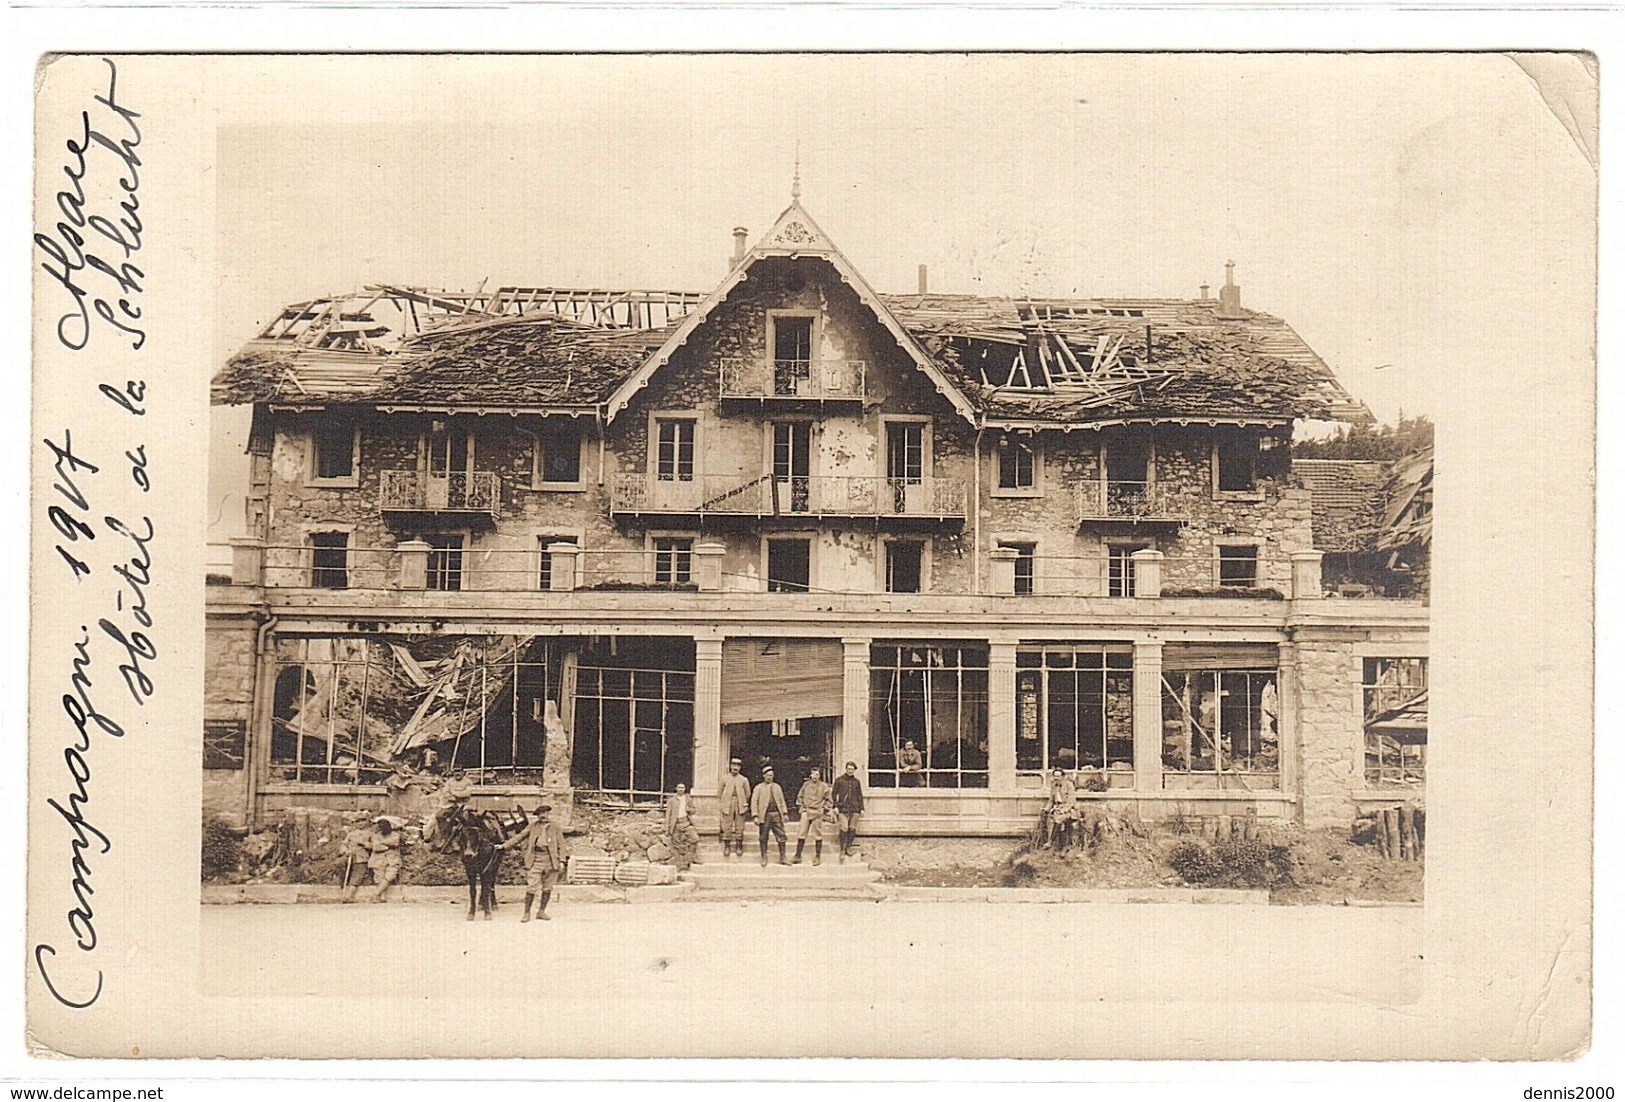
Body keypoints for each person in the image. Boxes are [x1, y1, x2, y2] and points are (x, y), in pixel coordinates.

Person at [496, 803, 567, 922]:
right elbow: (519, 837)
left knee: (547, 888)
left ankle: (541, 912)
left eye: (545, 813)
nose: (543, 816)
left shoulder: (555, 827)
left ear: (548, 814)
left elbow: (562, 845)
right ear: (537, 816)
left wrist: (562, 861)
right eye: (540, 814)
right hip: (535, 860)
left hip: (551, 861)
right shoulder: (532, 826)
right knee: (531, 887)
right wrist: (503, 846)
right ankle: (526, 913)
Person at [750, 766, 791, 867]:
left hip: (777, 814)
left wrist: (784, 813)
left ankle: (783, 857)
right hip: (765, 815)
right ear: (763, 776)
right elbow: (754, 802)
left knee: (781, 835)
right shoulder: (758, 788)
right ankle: (764, 857)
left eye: (771, 775)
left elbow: (782, 801)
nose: (769, 777)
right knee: (763, 837)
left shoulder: (777, 787)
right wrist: (755, 815)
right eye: (768, 775)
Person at [793, 767, 833, 865]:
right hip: (806, 811)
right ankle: (797, 856)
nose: (815, 776)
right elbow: (800, 797)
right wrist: (802, 808)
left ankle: (817, 857)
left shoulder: (824, 786)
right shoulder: (806, 785)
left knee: (817, 834)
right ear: (810, 775)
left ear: (820, 776)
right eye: (813, 774)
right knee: (802, 833)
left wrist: (823, 809)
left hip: (817, 812)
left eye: (817, 774)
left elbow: (829, 801)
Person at [717, 757, 751, 860]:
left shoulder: (744, 779)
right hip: (728, 803)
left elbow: (748, 793)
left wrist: (742, 801)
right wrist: (724, 802)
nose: (735, 768)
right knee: (727, 825)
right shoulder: (724, 778)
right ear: (730, 766)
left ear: (740, 768)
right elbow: (719, 793)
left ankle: (739, 846)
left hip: (740, 803)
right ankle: (727, 846)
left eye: (737, 766)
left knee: (739, 826)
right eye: (733, 765)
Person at [831, 760, 865, 862]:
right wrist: (835, 806)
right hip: (842, 808)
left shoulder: (856, 782)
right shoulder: (839, 780)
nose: (850, 771)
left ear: (854, 770)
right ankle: (842, 849)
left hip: (855, 808)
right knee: (844, 827)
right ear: (846, 769)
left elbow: (860, 796)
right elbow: (833, 794)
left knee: (852, 827)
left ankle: (848, 847)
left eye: (852, 769)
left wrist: (862, 808)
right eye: (849, 769)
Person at [664, 782, 701, 870]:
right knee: (676, 844)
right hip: (676, 824)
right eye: (679, 787)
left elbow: (694, 810)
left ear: (685, 789)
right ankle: (679, 864)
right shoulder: (672, 800)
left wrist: (689, 809)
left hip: (686, 823)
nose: (681, 789)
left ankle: (689, 859)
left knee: (695, 839)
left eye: (683, 788)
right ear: (676, 789)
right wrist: (667, 828)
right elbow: (668, 815)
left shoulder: (688, 799)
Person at [338, 816, 374, 903]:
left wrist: (365, 844)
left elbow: (374, 846)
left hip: (361, 857)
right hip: (349, 856)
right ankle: (342, 885)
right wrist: (345, 850)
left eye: (363, 821)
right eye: (358, 821)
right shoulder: (351, 834)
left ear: (367, 822)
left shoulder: (370, 834)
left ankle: (349, 896)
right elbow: (343, 845)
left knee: (357, 875)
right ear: (355, 823)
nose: (361, 823)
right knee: (339, 865)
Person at [1044, 768, 1078, 850]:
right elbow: (1051, 800)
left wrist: (1064, 810)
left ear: (1063, 776)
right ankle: (1057, 845)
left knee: (1059, 818)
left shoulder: (1069, 784)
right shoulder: (1054, 786)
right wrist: (1046, 809)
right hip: (1057, 808)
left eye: (1058, 776)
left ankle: (1050, 841)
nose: (1056, 778)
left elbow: (1071, 800)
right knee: (1050, 820)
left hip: (1069, 810)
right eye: (1055, 776)